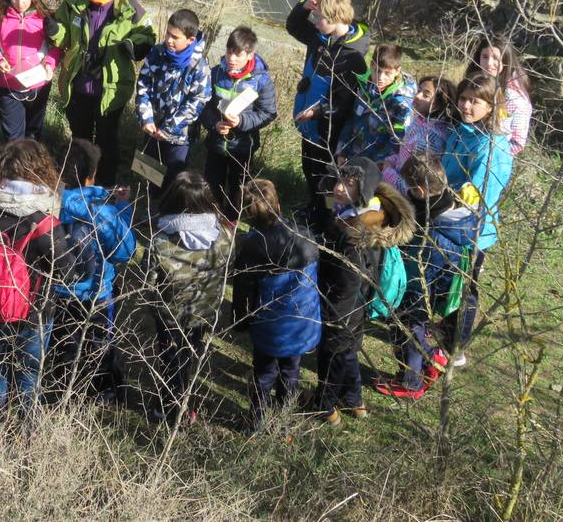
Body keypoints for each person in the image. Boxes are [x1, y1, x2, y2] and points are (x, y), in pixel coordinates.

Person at [0, 139, 77, 411]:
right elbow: (67, 270)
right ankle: (26, 427)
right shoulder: (44, 223)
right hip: (35, 310)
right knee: (29, 372)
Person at [312, 158, 415, 426]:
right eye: (339, 180)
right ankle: (355, 400)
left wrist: (333, 317)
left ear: (365, 189)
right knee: (347, 353)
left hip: (341, 307)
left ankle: (325, 406)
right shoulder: (368, 213)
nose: (338, 188)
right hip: (357, 304)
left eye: (349, 183)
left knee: (332, 354)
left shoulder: (354, 236)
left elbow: (347, 283)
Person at [375, 154, 476, 399]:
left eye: (408, 187)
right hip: (430, 288)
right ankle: (432, 361)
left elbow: (419, 273)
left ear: (419, 190)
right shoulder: (448, 206)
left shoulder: (434, 233)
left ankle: (411, 382)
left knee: (407, 329)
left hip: (417, 292)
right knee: (410, 328)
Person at [51, 0, 156, 186]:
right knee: (80, 139)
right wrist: (53, 30)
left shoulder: (129, 7)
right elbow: (64, 35)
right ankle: (79, 182)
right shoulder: (74, 1)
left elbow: (148, 34)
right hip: (76, 84)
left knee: (107, 140)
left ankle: (106, 184)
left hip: (111, 89)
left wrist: (134, 46)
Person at [144, 170, 235, 425]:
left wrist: (155, 306)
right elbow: (229, 267)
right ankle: (185, 404)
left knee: (170, 358)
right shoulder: (224, 236)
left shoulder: (160, 240)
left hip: (169, 314)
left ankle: (168, 409)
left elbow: (147, 282)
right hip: (203, 309)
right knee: (191, 353)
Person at [50, 139, 136, 401]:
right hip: (95, 293)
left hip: (56, 290)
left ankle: (61, 383)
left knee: (62, 339)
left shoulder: (44, 202)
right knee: (98, 342)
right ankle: (103, 387)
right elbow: (125, 251)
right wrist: (122, 207)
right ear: (91, 176)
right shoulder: (103, 214)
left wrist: (102, 194)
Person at [232, 179, 321, 426]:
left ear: (247, 214)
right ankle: (283, 416)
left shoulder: (252, 246)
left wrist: (241, 321)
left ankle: (257, 420)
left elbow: (243, 290)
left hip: (271, 327)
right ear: (278, 205)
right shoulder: (304, 234)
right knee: (291, 372)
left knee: (264, 374)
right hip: (301, 321)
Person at [440, 73, 514, 366]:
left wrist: (439, 201)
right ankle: (446, 330)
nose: (466, 106)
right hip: (448, 220)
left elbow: (477, 195)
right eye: (463, 99)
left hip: (471, 229)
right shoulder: (462, 131)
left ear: (492, 106)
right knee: (447, 281)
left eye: (475, 101)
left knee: (464, 287)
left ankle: (456, 345)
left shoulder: (491, 147)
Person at [285, 0, 370, 213]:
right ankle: (313, 207)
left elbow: (344, 100)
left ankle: (327, 216)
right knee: (309, 167)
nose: (315, 22)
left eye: (320, 18)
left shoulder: (352, 55)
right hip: (309, 121)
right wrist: (304, 5)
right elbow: (293, 26)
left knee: (327, 177)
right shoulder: (321, 37)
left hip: (328, 127)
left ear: (334, 19)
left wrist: (318, 112)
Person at [200, 25, 278, 218]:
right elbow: (204, 106)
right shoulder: (216, 73)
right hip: (216, 143)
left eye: (238, 54)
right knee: (212, 182)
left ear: (250, 55)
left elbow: (268, 112)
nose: (231, 59)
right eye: (228, 52)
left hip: (243, 146)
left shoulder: (261, 81)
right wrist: (213, 124)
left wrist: (242, 121)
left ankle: (232, 219)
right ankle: (212, 216)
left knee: (239, 187)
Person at [135, 8, 212, 200]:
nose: (169, 40)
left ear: (190, 40)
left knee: (173, 176)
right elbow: (143, 83)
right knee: (148, 168)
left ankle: (167, 210)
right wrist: (145, 117)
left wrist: (169, 128)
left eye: (175, 37)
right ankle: (146, 203)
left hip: (179, 135)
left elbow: (198, 101)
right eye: (168, 33)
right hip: (152, 127)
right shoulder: (157, 53)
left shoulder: (199, 66)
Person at [0, 0, 63, 142]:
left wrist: (50, 64)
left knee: (33, 134)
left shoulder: (45, 17)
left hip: (38, 86)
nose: (19, 2)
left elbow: (58, 47)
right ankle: (14, 167)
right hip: (8, 85)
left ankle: (31, 167)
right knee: (13, 138)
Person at [338, 44, 416, 164]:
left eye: (387, 73)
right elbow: (352, 119)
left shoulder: (402, 102)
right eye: (377, 70)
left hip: (378, 165)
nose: (380, 77)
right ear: (371, 65)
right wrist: (342, 151)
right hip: (353, 156)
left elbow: (398, 140)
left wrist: (380, 165)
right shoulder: (364, 86)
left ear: (397, 71)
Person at [382, 75, 456, 193]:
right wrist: (390, 161)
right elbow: (404, 157)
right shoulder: (419, 121)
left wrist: (387, 173)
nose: (417, 96)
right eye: (418, 91)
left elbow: (412, 188)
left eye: (425, 95)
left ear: (438, 104)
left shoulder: (429, 139)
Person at [466, 37, 533, 156]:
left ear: (506, 60)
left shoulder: (513, 97)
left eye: (496, 58)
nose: (489, 64)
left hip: (493, 160)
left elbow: (517, 142)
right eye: (485, 57)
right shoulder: (474, 84)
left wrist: (489, 156)